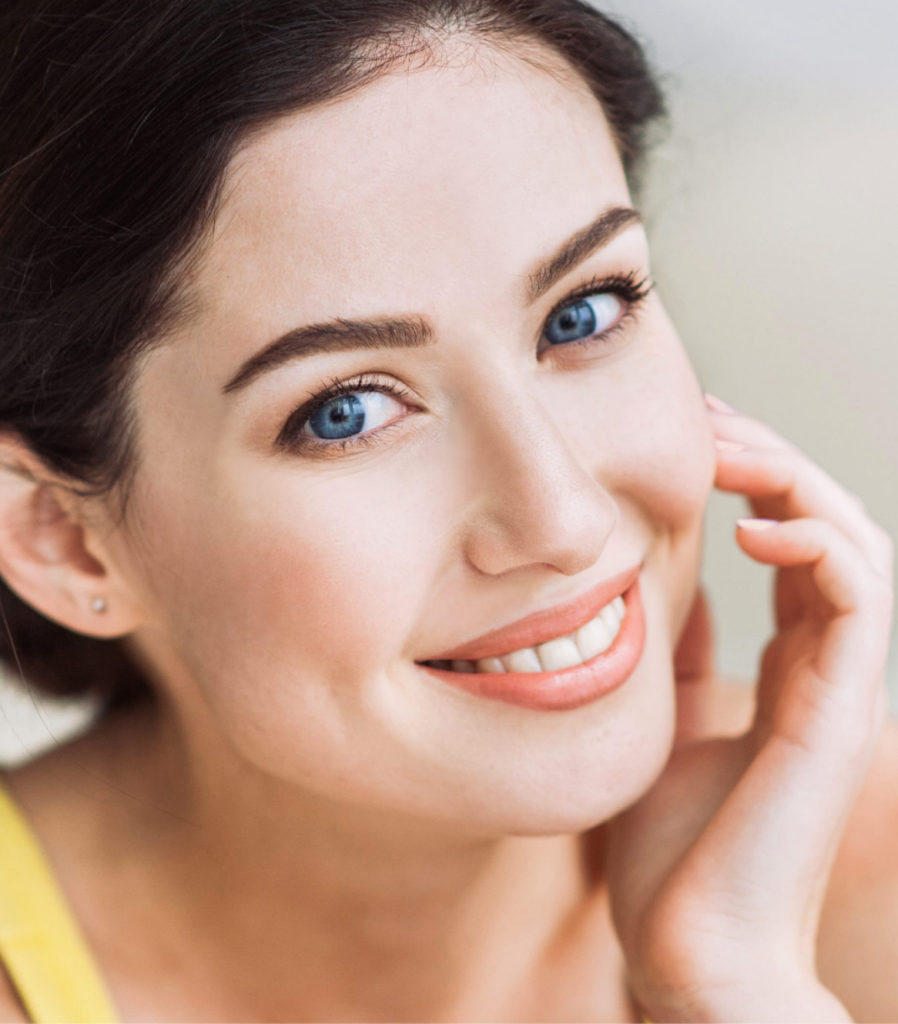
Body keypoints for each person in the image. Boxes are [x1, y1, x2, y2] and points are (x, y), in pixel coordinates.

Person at [0, 1, 895, 1020]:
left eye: (582, 313)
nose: (563, 520)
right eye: (345, 412)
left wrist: (735, 981)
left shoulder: (852, 860)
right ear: (65, 541)